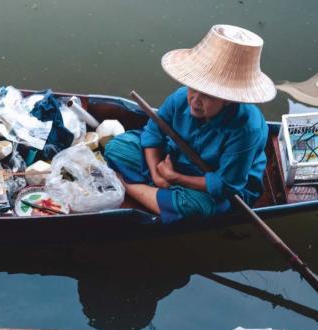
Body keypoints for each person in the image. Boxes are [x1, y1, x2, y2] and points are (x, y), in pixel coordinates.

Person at [104, 24, 277, 222]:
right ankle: (161, 195)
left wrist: (175, 178)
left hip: (215, 183)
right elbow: (153, 133)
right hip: (173, 162)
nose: (194, 100)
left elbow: (226, 185)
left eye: (207, 96)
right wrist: (157, 172)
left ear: (228, 99)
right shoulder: (180, 98)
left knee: (194, 208)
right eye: (192, 89)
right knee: (117, 147)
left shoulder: (247, 129)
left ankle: (126, 184)